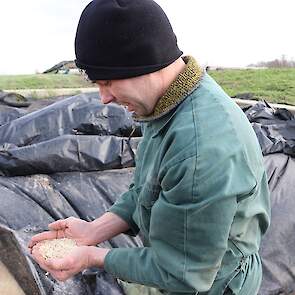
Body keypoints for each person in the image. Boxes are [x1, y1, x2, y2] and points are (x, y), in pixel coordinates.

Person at [29, 0, 271, 294]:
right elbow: (147, 187)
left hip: (215, 285)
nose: (103, 98)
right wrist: (94, 231)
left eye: (107, 81)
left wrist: (91, 256)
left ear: (144, 64)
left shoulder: (202, 148)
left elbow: (184, 273)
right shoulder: (166, 104)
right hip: (181, 267)